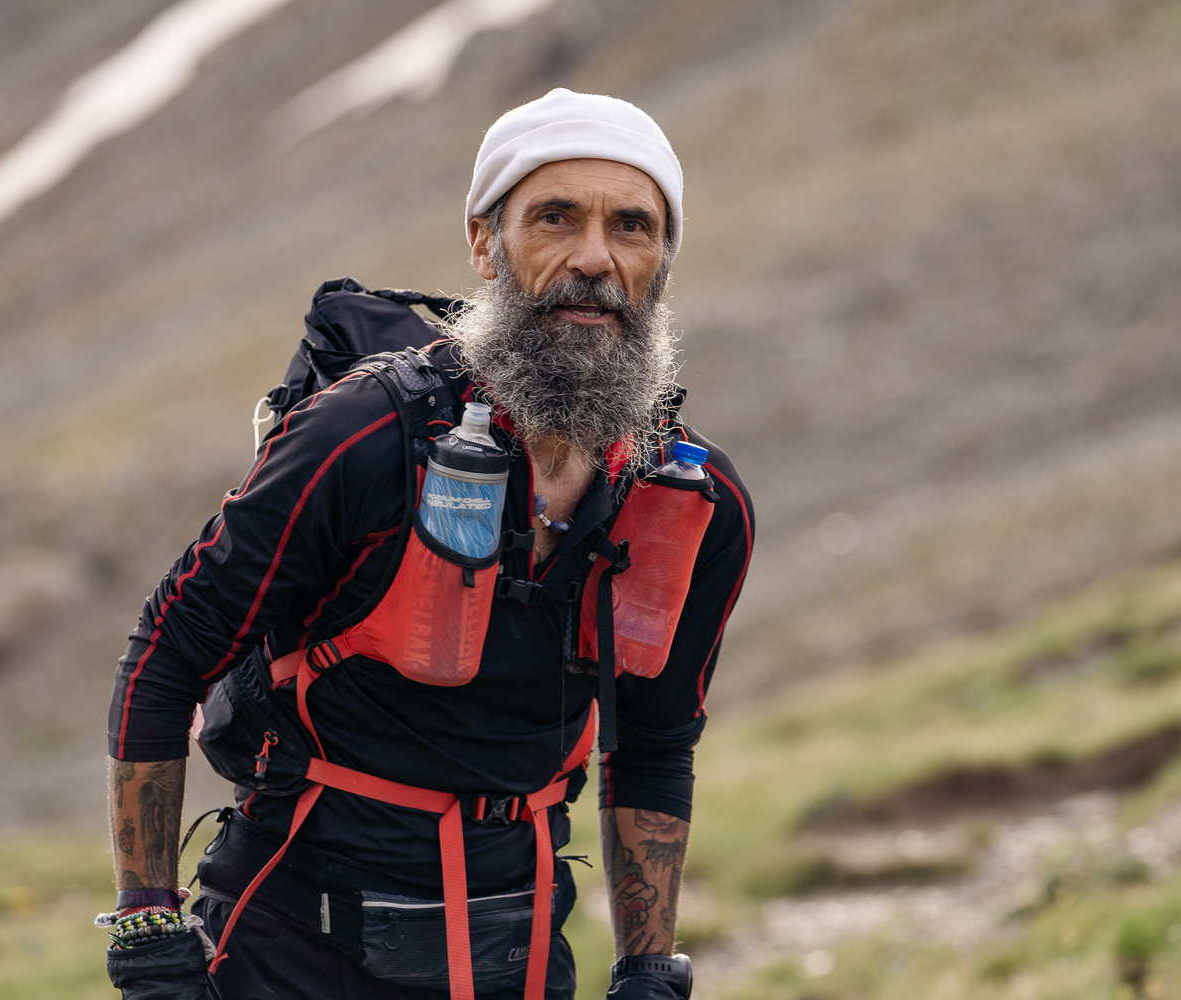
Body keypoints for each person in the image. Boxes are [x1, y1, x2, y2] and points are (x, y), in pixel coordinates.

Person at [103, 88, 753, 1000]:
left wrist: (647, 968)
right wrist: (149, 932)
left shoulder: (692, 502)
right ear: (485, 243)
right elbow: (167, 654)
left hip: (517, 956)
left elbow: (653, 744)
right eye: (555, 218)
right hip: (289, 952)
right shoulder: (365, 436)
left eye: (632, 227)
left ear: (662, 263)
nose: (594, 258)